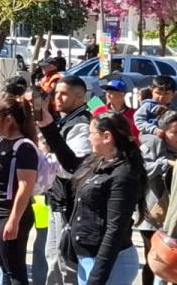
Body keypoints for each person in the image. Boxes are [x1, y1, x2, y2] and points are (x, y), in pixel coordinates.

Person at [69, 112, 145, 285]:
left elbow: (115, 229)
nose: (88, 138)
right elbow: (69, 163)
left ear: (107, 137)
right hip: (88, 257)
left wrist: (97, 278)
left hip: (109, 263)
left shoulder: (123, 174)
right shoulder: (98, 162)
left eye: (91, 133)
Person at [39, 74, 93, 285]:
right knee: (53, 258)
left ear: (79, 98)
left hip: (70, 204)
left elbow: (73, 169)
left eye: (64, 94)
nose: (57, 98)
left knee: (65, 262)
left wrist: (46, 153)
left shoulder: (81, 124)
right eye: (56, 94)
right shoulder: (66, 120)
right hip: (57, 200)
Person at [0, 96, 40, 285]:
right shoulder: (1, 140)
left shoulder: (24, 147)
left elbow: (25, 186)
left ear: (8, 120)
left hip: (10, 214)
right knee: (4, 268)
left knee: (15, 271)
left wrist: (14, 220)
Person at [139, 109, 177, 285]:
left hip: (173, 216)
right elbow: (141, 170)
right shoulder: (152, 143)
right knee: (155, 259)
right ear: (163, 131)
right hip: (154, 213)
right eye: (174, 133)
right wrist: (164, 163)